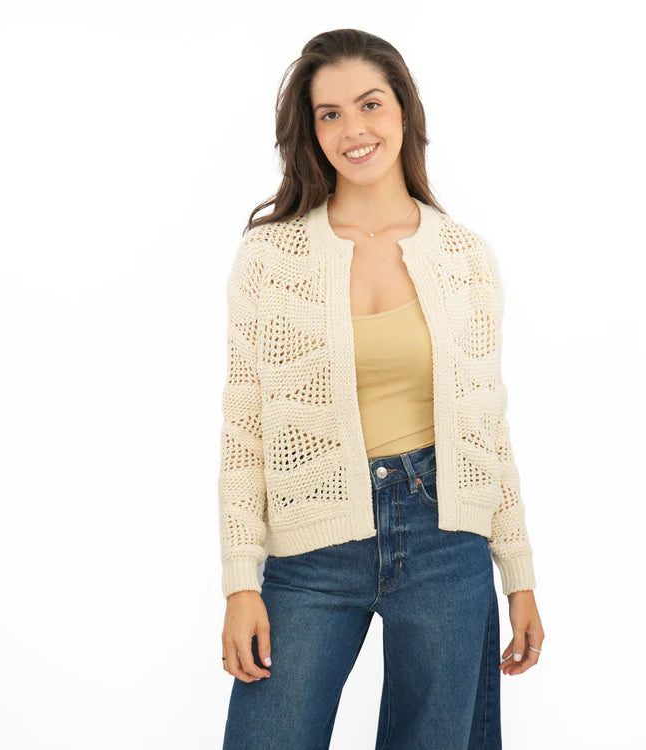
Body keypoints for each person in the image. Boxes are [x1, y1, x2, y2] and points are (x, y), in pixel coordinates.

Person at [218, 28, 545, 749]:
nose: (353, 129)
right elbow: (244, 429)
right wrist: (241, 581)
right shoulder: (270, 256)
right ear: (310, 131)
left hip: (445, 536)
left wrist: (518, 573)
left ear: (403, 110)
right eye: (329, 113)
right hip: (310, 547)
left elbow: (488, 427)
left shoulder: (465, 257)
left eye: (369, 104)